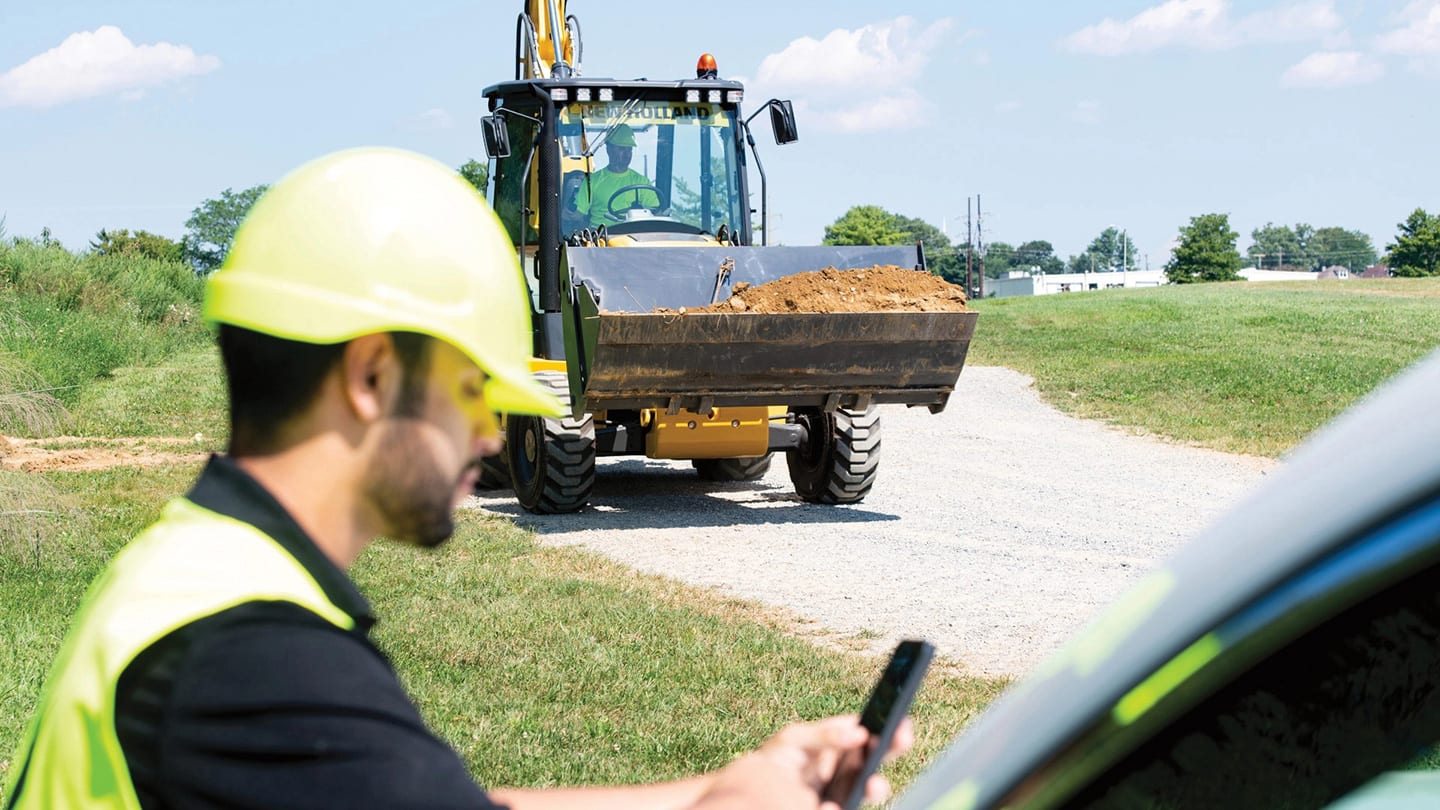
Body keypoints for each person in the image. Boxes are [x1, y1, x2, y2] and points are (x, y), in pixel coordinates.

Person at [3, 147, 911, 810]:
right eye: (474, 388)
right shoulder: (252, 661)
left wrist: (714, 789)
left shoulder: (201, 573)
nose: (489, 431)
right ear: (369, 380)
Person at [573, 123, 661, 227]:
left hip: (633, 237)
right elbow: (577, 215)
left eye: (629, 150)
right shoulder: (592, 181)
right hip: (600, 238)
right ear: (608, 150)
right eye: (622, 149)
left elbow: (655, 212)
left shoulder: (642, 182)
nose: (627, 154)